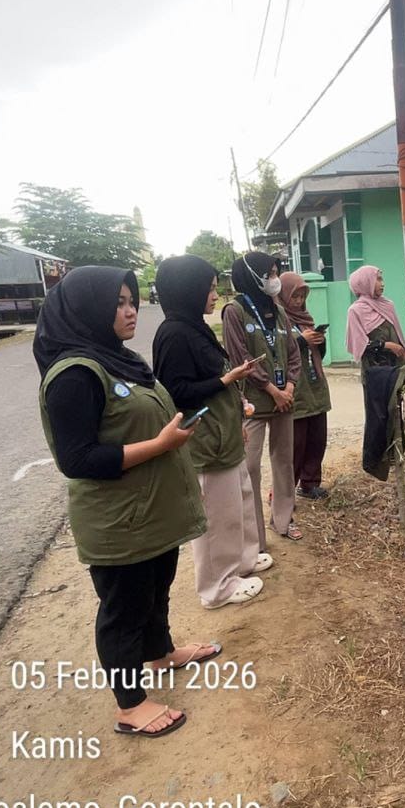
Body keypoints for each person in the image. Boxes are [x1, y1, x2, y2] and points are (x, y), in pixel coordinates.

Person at [36, 265, 218, 739]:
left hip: (149, 512)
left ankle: (161, 654)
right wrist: (159, 446)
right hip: (120, 521)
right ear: (86, 309)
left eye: (132, 299)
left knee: (156, 587)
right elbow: (77, 459)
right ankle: (129, 704)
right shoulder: (74, 374)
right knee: (123, 609)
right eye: (117, 302)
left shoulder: (118, 358)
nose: (130, 309)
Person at [153, 255, 271, 609]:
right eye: (208, 287)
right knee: (216, 516)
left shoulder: (195, 327)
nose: (215, 293)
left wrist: (237, 416)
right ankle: (216, 587)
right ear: (187, 290)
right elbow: (176, 391)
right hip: (205, 438)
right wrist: (227, 379)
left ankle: (244, 561)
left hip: (225, 432)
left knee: (239, 503)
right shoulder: (173, 334)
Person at [222, 252, 303, 542]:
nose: (274, 279)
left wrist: (290, 387)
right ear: (252, 275)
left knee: (284, 462)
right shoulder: (235, 311)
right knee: (250, 467)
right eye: (268, 273)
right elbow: (239, 357)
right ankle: (254, 535)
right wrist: (272, 389)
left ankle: (283, 519)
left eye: (275, 272)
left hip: (285, 400)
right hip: (254, 403)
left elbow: (294, 354)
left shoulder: (279, 311)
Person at [346, 264, 405, 480]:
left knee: (396, 410)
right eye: (377, 280)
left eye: (381, 279)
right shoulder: (355, 311)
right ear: (364, 283)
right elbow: (359, 346)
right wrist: (387, 346)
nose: (381, 284)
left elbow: (398, 333)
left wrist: (402, 351)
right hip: (374, 372)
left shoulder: (387, 305)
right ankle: (374, 461)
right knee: (377, 415)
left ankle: (396, 453)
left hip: (394, 369)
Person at [278, 271, 332, 499]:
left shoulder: (305, 318)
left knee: (317, 439)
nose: (299, 302)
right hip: (296, 387)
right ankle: (285, 491)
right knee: (296, 444)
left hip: (314, 385)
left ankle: (309, 484)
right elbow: (278, 350)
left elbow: (316, 353)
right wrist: (301, 340)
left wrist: (319, 341)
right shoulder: (278, 319)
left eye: (302, 296)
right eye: (294, 297)